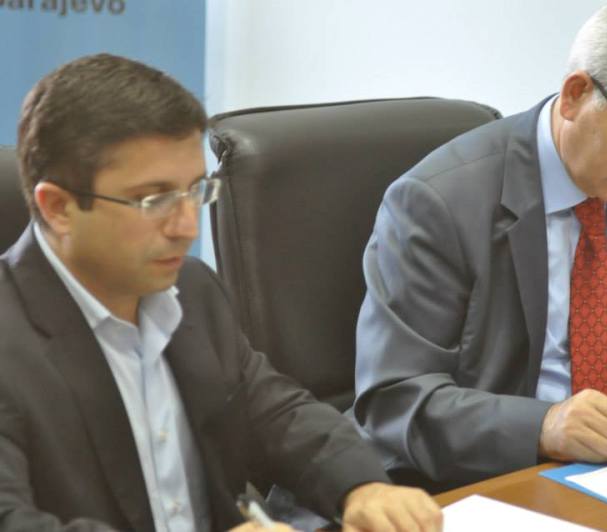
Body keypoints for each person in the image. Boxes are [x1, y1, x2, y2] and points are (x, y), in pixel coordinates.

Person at [0, 53, 442, 532]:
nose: (187, 227)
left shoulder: (190, 288)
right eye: (154, 200)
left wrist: (361, 487)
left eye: (195, 191)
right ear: (58, 207)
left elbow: (274, 413)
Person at [351, 0, 607, 490]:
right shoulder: (437, 201)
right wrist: (544, 426)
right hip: (475, 481)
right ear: (576, 95)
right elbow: (395, 400)